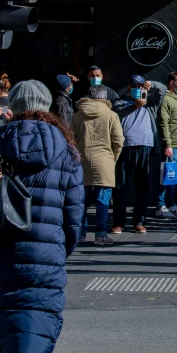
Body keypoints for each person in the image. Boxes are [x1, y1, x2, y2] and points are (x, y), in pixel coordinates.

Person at [0, 80, 85, 353]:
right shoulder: (65, 150)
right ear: (46, 107)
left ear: (13, 107)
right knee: (39, 314)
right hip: (48, 249)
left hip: (2, 244)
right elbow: (75, 210)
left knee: (7, 312)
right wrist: (62, 247)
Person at [111, 75, 167, 233]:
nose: (138, 89)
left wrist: (153, 83)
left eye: (141, 86)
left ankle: (139, 221)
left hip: (145, 147)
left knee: (143, 186)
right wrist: (135, 105)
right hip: (124, 147)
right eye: (134, 86)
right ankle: (118, 222)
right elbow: (117, 113)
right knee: (120, 186)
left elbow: (162, 90)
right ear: (128, 87)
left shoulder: (150, 102)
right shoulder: (120, 101)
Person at [72, 85, 124, 246]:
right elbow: (118, 140)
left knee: (82, 201)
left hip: (81, 160)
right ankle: (100, 234)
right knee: (103, 201)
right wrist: (112, 158)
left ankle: (80, 233)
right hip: (104, 161)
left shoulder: (77, 115)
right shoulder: (111, 115)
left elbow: (70, 139)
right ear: (104, 98)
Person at [157, 71, 177, 218]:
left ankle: (170, 204)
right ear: (172, 82)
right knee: (167, 176)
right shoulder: (166, 100)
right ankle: (160, 206)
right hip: (172, 145)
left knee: (173, 178)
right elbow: (163, 123)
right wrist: (167, 144)